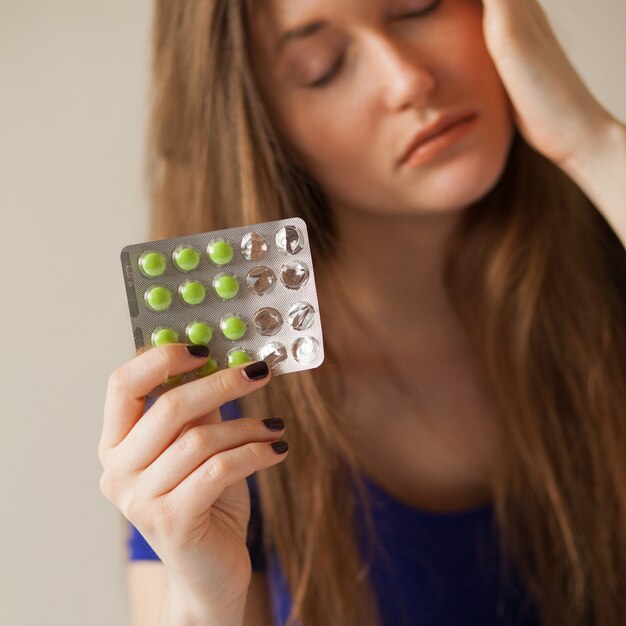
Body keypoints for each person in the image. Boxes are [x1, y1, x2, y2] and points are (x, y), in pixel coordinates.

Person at [98, 1, 626, 625]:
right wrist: (204, 601)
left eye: (417, 6)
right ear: (264, 126)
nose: (408, 80)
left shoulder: (612, 250)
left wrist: (594, 143)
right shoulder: (218, 415)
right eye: (322, 67)